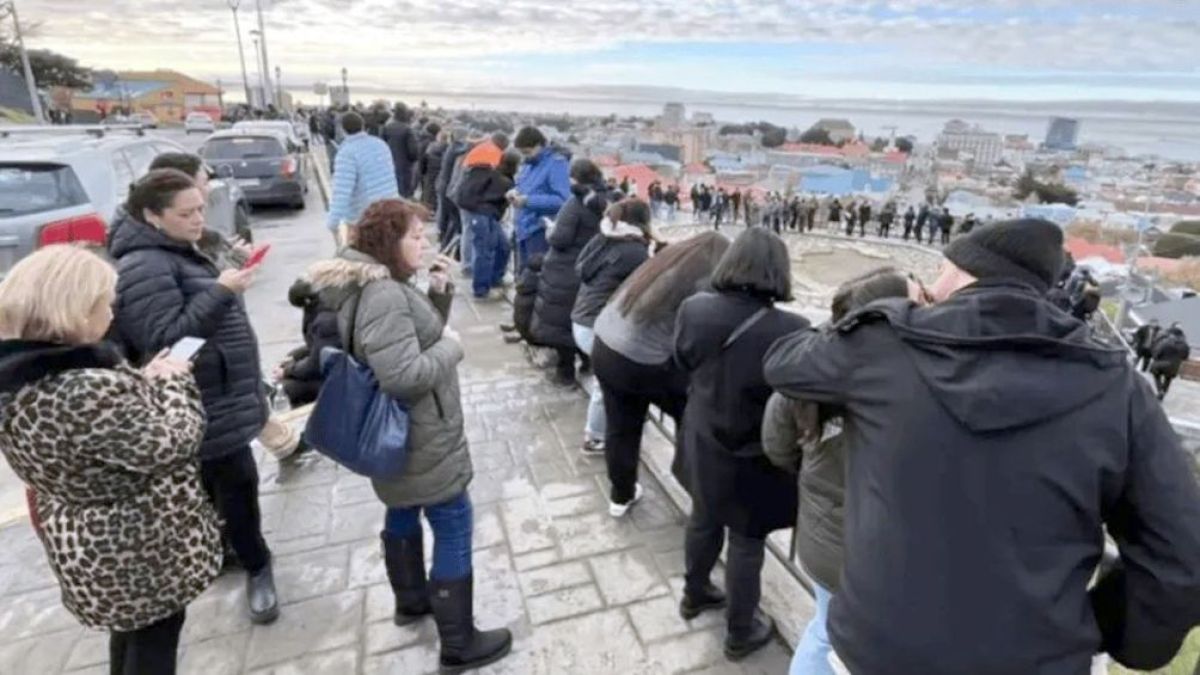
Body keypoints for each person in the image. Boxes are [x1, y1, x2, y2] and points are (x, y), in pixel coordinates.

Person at [763, 218, 1200, 675]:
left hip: (880, 650)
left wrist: (872, 316)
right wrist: (1099, 626)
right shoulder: (1116, 386)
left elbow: (784, 361)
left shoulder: (887, 346)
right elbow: (1180, 556)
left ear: (958, 271)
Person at [304, 199, 513, 671]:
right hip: (421, 434)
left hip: (402, 437)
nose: (425, 243)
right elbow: (404, 373)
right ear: (387, 242)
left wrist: (437, 293)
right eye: (415, 236)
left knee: (401, 507)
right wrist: (452, 348)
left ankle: (412, 600)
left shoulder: (378, 282)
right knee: (454, 521)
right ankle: (459, 642)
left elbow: (409, 335)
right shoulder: (384, 295)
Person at [0, 246, 221, 675]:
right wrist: (175, 383)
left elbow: (91, 438)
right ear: (76, 313)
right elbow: (170, 444)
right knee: (154, 640)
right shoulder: (83, 389)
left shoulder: (25, 378)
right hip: (136, 544)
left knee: (132, 635)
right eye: (105, 303)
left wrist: (141, 382)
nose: (112, 313)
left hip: (92, 540)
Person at [109, 169, 279, 625]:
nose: (199, 218)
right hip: (201, 398)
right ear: (151, 215)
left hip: (219, 391)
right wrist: (223, 291)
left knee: (223, 485)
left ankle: (231, 552)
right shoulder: (143, 265)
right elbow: (163, 338)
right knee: (237, 483)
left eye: (200, 208)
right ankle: (257, 565)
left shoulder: (177, 248)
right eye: (186, 213)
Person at [762, 267, 920, 675]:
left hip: (821, 535)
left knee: (825, 629)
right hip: (881, 550)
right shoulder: (915, 380)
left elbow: (777, 446)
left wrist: (815, 471)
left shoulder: (807, 369)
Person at [673, 228, 809, 661]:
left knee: (703, 517)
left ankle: (694, 594)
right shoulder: (792, 329)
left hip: (704, 433)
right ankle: (739, 631)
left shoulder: (695, 309)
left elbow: (681, 360)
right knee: (747, 542)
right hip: (755, 453)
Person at [593, 233, 731, 517]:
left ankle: (620, 496)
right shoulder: (703, 284)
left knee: (621, 427)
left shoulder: (661, 264)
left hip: (605, 345)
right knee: (695, 420)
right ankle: (702, 502)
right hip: (641, 361)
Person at [571, 199, 654, 456]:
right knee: (606, 382)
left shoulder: (605, 237)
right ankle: (594, 437)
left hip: (581, 320)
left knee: (617, 375)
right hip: (597, 326)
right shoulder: (635, 252)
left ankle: (626, 415)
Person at [530, 158, 613, 387]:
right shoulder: (607, 202)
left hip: (566, 270)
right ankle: (587, 362)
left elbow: (560, 238)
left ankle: (565, 372)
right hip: (595, 269)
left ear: (575, 179)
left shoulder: (575, 204)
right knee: (586, 318)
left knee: (563, 322)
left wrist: (550, 230)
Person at [455, 147, 519, 299]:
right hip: (483, 215)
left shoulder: (490, 173)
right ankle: (481, 289)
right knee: (485, 251)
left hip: (483, 214)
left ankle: (494, 279)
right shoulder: (503, 181)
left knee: (503, 246)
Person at [327, 112, 400, 246]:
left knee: (364, 261)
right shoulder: (381, 145)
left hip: (364, 218)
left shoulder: (346, 154)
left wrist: (333, 222)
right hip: (389, 211)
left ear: (342, 130)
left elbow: (342, 192)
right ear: (363, 126)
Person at [510, 127, 571, 273]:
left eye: (527, 152)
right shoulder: (528, 164)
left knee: (535, 277)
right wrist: (514, 192)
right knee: (522, 277)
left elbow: (563, 200)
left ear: (539, 145)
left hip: (539, 230)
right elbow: (523, 185)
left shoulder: (557, 163)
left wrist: (528, 201)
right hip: (522, 228)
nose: (525, 156)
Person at [383, 103, 421, 198]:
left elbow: (382, 145)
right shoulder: (407, 129)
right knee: (404, 195)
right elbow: (413, 152)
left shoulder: (387, 127)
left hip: (389, 164)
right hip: (405, 166)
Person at [1150, 323, 1191, 399]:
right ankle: (1163, 392)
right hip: (1174, 366)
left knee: (1156, 374)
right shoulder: (1184, 344)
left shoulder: (1166, 341)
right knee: (1168, 378)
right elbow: (1185, 357)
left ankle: (1160, 390)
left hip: (1161, 364)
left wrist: (1155, 357)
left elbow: (1158, 352)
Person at [419, 126, 447, 213]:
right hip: (441, 174)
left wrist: (422, 172)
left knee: (428, 191)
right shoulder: (449, 150)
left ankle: (426, 209)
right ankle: (436, 209)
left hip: (429, 172)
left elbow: (423, 160)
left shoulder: (430, 147)